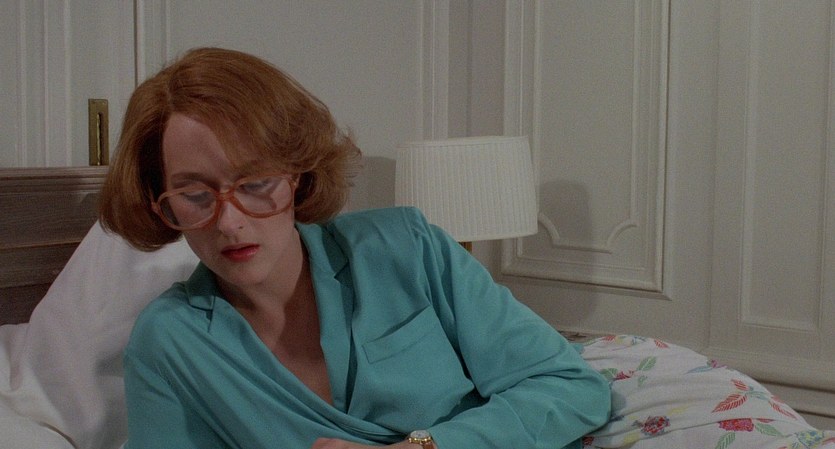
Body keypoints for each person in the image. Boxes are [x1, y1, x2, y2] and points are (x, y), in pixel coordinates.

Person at [98, 47, 611, 449]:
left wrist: (423, 448)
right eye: (194, 195)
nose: (229, 222)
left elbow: (569, 386)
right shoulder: (168, 344)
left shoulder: (406, 248)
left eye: (255, 183)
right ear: (160, 203)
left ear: (297, 175)